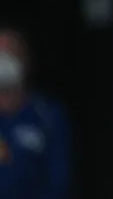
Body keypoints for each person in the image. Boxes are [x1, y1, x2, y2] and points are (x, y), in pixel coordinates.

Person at [0, 28, 71, 199]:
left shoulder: (48, 116)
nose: (3, 61)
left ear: (25, 60)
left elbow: (59, 181)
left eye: (9, 52)